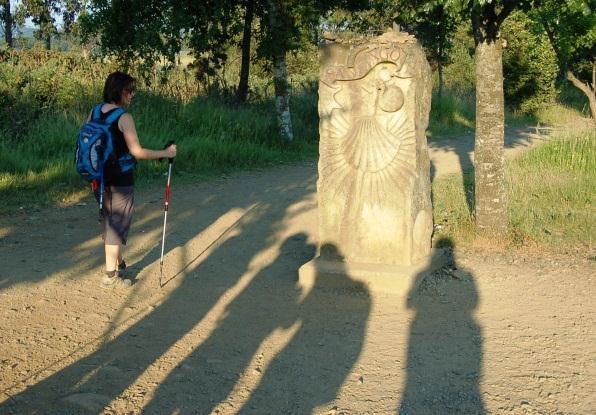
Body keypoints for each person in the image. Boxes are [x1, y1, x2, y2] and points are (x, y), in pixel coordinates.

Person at [91, 71, 177, 289]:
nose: (132, 95)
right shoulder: (124, 117)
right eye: (129, 90)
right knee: (116, 225)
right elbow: (137, 151)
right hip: (120, 178)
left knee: (110, 221)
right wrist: (166, 153)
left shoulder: (95, 111)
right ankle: (110, 278)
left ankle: (118, 263)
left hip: (98, 177)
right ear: (119, 91)